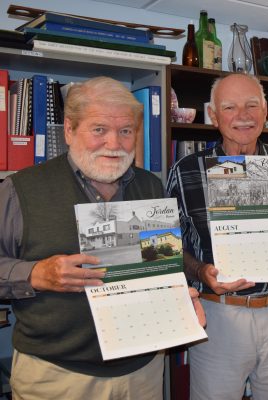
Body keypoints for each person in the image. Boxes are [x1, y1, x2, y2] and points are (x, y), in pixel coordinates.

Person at [0, 76, 205, 399]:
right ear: (69, 130)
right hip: (58, 377)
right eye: (99, 130)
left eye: (125, 131)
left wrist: (179, 300)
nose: (114, 143)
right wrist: (35, 274)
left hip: (143, 371)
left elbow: (161, 264)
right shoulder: (20, 190)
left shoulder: (150, 187)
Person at [166, 73, 268, 400]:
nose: (243, 115)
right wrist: (200, 271)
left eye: (252, 105)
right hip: (220, 315)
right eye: (230, 107)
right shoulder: (187, 169)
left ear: (264, 112)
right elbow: (166, 248)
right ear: (215, 116)